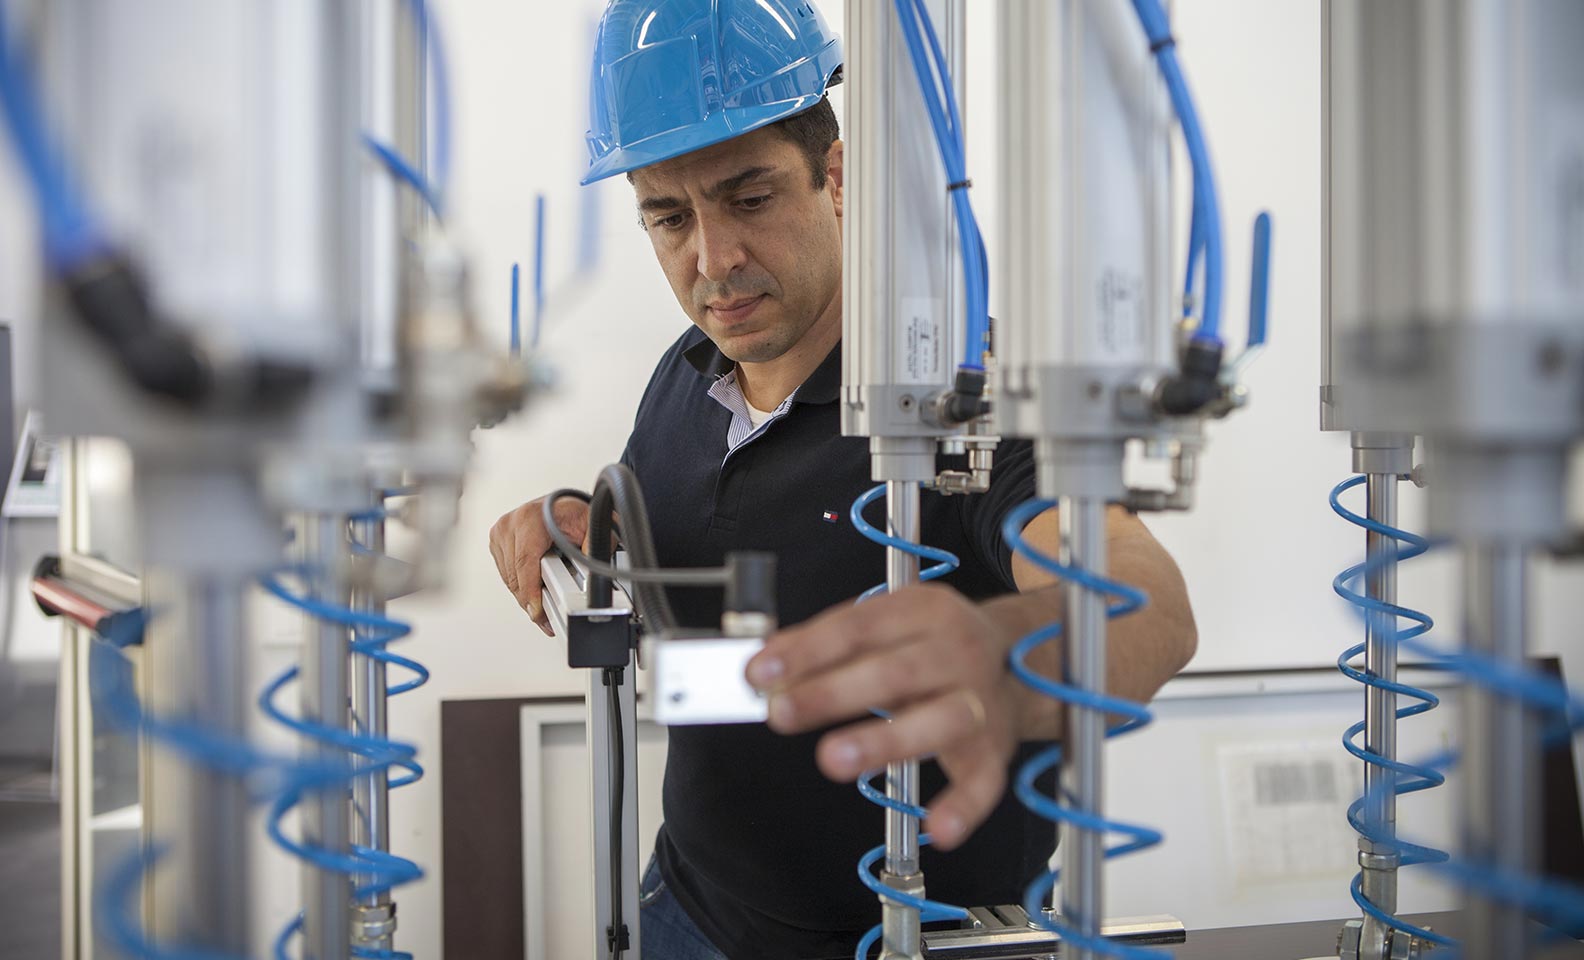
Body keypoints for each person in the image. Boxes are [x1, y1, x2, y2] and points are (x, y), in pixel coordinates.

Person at [488, 2, 1197, 957]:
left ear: (836, 176)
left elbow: (1144, 605)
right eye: (668, 216)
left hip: (900, 936)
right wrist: (581, 520)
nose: (713, 259)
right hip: (689, 905)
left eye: (749, 197)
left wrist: (1008, 649)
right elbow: (702, 560)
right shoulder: (687, 371)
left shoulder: (953, 400)